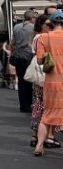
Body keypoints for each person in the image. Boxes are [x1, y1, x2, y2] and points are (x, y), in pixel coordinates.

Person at [33, 9, 63, 156]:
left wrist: (48, 56)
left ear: (51, 22)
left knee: (47, 115)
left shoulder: (44, 37)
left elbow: (39, 60)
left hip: (52, 82)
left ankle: (39, 145)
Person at [9, 9, 37, 113]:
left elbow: (12, 43)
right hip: (29, 56)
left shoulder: (16, 27)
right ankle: (29, 104)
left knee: (21, 81)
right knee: (30, 80)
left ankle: (23, 105)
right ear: (31, 18)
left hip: (19, 55)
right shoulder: (33, 28)